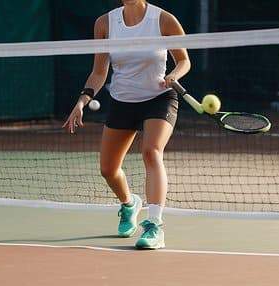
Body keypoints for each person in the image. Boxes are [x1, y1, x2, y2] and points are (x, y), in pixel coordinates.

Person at [66, 0, 189, 250]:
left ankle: (154, 225)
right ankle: (129, 204)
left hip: (159, 98)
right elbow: (99, 72)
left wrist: (174, 75)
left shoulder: (164, 19)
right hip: (122, 101)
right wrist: (82, 101)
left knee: (151, 151)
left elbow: (184, 60)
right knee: (108, 170)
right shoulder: (104, 23)